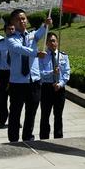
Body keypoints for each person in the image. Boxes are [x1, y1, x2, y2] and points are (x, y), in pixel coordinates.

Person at [6, 9, 52, 142]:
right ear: (13, 22)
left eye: (24, 18)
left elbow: (40, 33)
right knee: (15, 113)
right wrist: (36, 53)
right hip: (18, 82)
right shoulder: (10, 39)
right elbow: (20, 49)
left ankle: (28, 137)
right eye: (18, 19)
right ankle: (13, 139)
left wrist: (46, 24)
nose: (22, 21)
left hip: (34, 81)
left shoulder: (32, 36)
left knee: (31, 112)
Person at [39, 32, 70, 140]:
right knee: (45, 115)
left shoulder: (63, 56)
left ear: (57, 42)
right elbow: (40, 73)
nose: (52, 43)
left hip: (59, 89)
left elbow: (66, 73)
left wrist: (61, 84)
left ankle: (58, 137)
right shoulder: (42, 56)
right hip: (46, 88)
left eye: (54, 40)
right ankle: (44, 137)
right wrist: (52, 72)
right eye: (50, 41)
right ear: (46, 43)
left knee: (58, 115)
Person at [0, 23, 14, 128]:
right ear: (5, 31)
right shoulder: (0, 43)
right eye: (9, 29)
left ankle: (14, 120)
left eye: (13, 29)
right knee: (2, 99)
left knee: (15, 100)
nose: (11, 31)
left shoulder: (19, 43)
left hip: (15, 74)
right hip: (4, 73)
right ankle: (2, 120)